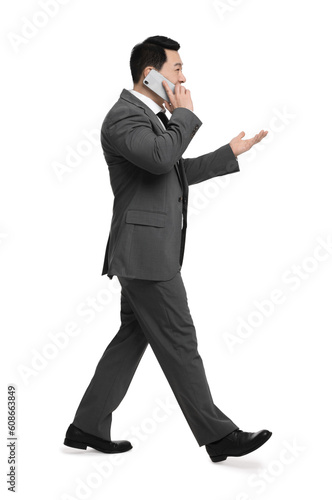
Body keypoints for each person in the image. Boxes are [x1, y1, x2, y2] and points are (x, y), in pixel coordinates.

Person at [64, 35, 271, 463]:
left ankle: (86, 425)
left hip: (145, 252)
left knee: (131, 337)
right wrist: (185, 115)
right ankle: (218, 436)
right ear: (150, 74)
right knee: (179, 339)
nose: (184, 77)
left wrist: (227, 153)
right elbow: (161, 159)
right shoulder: (123, 118)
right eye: (177, 70)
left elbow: (172, 173)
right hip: (145, 256)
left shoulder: (151, 119)